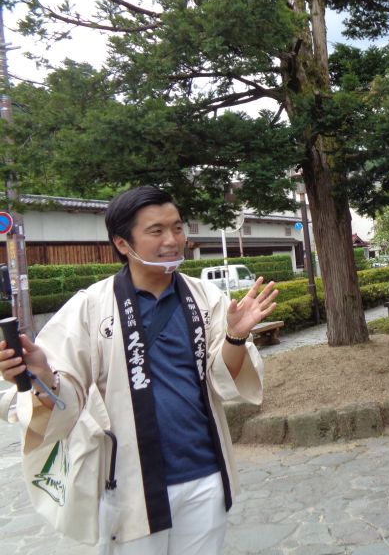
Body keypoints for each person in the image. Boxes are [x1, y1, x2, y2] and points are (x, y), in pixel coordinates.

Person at [0, 186, 278, 554]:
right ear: (122, 242)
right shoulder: (90, 307)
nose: (172, 240)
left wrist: (236, 337)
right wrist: (41, 374)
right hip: (128, 484)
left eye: (177, 228)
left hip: (204, 473)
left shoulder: (206, 298)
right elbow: (65, 392)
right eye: (156, 231)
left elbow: (222, 380)